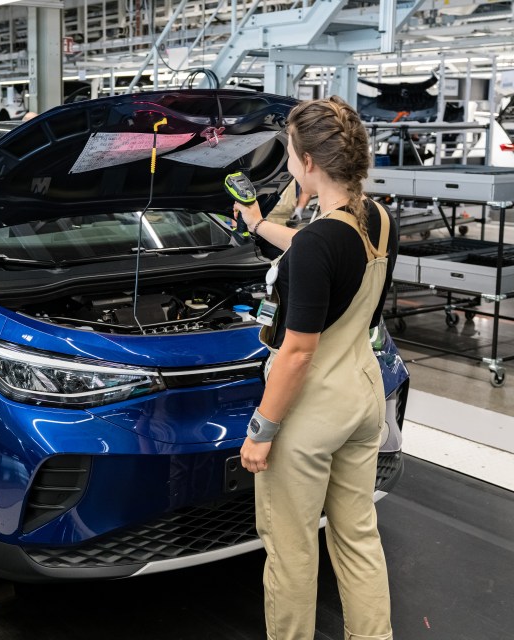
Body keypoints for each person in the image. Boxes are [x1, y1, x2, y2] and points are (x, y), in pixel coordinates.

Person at [232, 96, 398, 640]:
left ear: (306, 163)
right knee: (357, 539)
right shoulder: (377, 219)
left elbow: (298, 352)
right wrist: (261, 223)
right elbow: (317, 246)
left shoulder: (317, 246)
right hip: (363, 397)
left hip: (310, 413)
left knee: (292, 551)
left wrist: (262, 430)